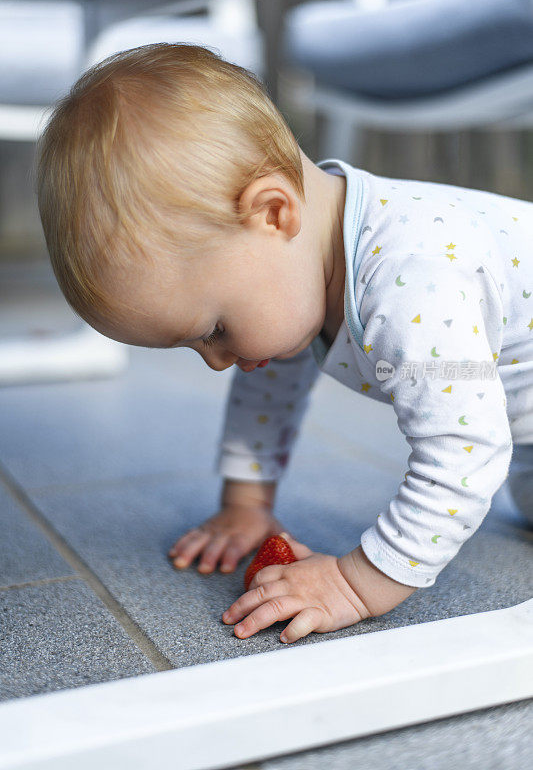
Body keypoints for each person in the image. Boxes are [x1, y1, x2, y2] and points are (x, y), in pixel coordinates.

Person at [36, 43, 532, 645]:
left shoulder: (412, 282)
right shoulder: (302, 264)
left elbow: (465, 449)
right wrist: (246, 502)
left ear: (273, 214)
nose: (220, 362)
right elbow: (270, 380)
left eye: (214, 331)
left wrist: (358, 582)